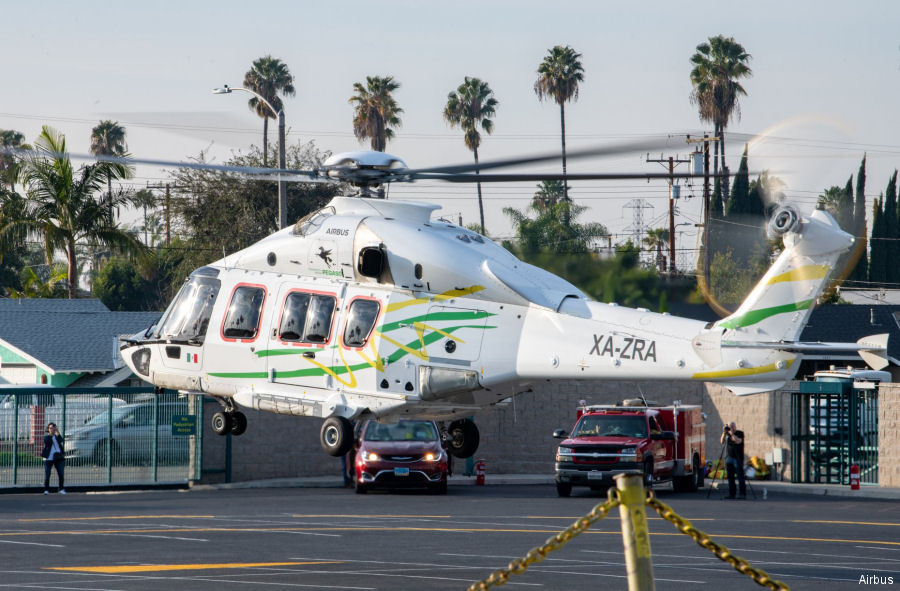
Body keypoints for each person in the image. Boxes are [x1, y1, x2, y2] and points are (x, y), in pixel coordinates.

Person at [721, 421, 745, 499]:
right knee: (730, 477)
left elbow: (737, 441)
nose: (731, 428)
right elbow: (722, 441)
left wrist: (731, 433)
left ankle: (742, 494)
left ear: (735, 427)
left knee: (740, 476)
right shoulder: (727, 434)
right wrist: (724, 433)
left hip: (738, 458)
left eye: (732, 426)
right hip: (729, 457)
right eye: (730, 426)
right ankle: (732, 494)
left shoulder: (740, 433)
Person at [41, 423, 66, 495]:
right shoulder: (47, 437)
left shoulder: (57, 437)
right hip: (49, 458)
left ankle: (61, 489)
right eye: (50, 428)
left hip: (58, 458)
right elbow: (47, 442)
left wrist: (57, 432)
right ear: (48, 429)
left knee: (61, 474)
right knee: (47, 474)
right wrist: (52, 435)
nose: (52, 430)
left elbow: (61, 440)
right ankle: (46, 490)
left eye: (53, 428)